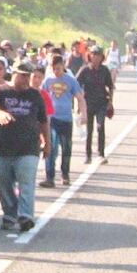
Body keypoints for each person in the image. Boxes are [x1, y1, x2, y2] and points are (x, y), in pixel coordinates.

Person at [0, 62, 50, 232]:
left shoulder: (35, 95)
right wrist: (1, 114)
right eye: (22, 75)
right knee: (4, 185)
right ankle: (9, 215)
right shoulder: (0, 91)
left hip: (28, 147)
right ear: (14, 74)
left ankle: (25, 216)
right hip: (3, 147)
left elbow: (43, 121)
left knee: (26, 182)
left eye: (28, 76)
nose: (26, 79)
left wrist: (47, 143)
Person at [41, 55, 87, 186]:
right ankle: (49, 177)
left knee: (66, 148)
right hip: (52, 119)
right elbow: (41, 97)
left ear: (63, 66)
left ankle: (65, 174)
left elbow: (80, 98)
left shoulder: (70, 81)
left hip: (66, 119)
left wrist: (83, 114)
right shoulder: (48, 80)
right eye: (54, 68)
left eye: (58, 68)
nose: (56, 71)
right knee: (51, 147)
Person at [77, 45, 114, 164]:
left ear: (102, 57)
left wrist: (110, 102)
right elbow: (76, 85)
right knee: (89, 130)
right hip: (88, 103)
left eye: (98, 55)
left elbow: (110, 86)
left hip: (101, 103)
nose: (96, 57)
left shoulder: (104, 70)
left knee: (100, 126)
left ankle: (101, 154)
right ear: (90, 56)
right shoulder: (85, 70)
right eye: (93, 55)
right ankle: (88, 155)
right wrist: (79, 102)